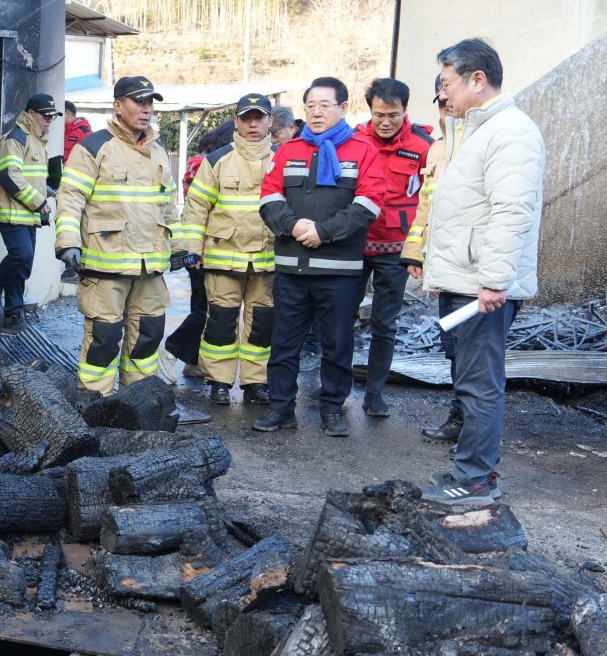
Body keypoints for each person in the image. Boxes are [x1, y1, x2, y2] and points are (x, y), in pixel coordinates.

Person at [419, 38, 544, 506]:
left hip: (482, 287)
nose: (443, 95)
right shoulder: (476, 130)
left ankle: (473, 478)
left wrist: (493, 280)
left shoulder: (511, 132)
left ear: (477, 79)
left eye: (447, 84)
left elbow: (511, 212)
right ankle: (470, 467)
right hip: (466, 280)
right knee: (468, 380)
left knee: (479, 384)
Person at [252, 77, 386, 436]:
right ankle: (281, 409)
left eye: (325, 105)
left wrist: (323, 232)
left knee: (337, 344)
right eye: (310, 105)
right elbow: (269, 197)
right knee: (283, 343)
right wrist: (294, 226)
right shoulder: (288, 150)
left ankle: (332, 409)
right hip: (292, 267)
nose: (316, 112)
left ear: (343, 108)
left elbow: (369, 203)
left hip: (340, 272)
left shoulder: (363, 151)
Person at [55, 75, 172, 394]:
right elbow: (70, 196)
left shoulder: (159, 151)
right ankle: (95, 402)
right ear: (118, 106)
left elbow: (169, 205)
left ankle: (139, 402)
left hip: (150, 267)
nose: (146, 109)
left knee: (148, 335)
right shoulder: (93, 147)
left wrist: (182, 245)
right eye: (139, 102)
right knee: (103, 340)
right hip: (105, 264)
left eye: (150, 103)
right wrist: (68, 240)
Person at [171, 94, 277, 405]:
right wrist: (189, 249)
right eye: (247, 118)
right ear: (236, 122)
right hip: (222, 258)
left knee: (260, 327)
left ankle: (255, 382)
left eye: (260, 117)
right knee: (219, 324)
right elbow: (195, 210)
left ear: (270, 120)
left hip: (266, 260)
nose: (253, 123)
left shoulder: (283, 159)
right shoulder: (216, 160)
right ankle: (218, 381)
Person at [352, 78, 432, 417]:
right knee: (341, 318)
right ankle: (335, 388)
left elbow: (431, 200)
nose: (385, 122)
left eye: (393, 115)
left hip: (396, 251)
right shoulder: (353, 140)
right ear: (370, 110)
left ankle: (375, 393)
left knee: (385, 325)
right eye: (379, 114)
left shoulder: (424, 145)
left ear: (405, 111)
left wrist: (421, 250)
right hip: (352, 245)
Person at [402, 76, 465, 444]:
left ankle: (474, 429)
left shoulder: (481, 145)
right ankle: (460, 418)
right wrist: (415, 254)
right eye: (441, 105)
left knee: (475, 355)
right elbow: (425, 207)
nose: (447, 110)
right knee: (454, 347)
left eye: (450, 102)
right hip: (445, 268)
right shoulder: (437, 150)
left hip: (474, 271)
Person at [165, 119, 237, 376]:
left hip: (201, 246)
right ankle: (174, 347)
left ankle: (192, 362)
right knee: (208, 308)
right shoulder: (210, 166)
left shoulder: (197, 163)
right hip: (205, 249)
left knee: (202, 306)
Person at [0, 93, 56, 326]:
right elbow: (9, 177)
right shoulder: (14, 139)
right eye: (45, 116)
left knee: (24, 264)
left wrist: (47, 190)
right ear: (31, 114)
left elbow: (29, 177)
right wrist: (39, 202)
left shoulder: (35, 140)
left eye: (52, 117)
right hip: (11, 212)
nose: (49, 121)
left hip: (28, 214)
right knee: (21, 255)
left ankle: (13, 315)